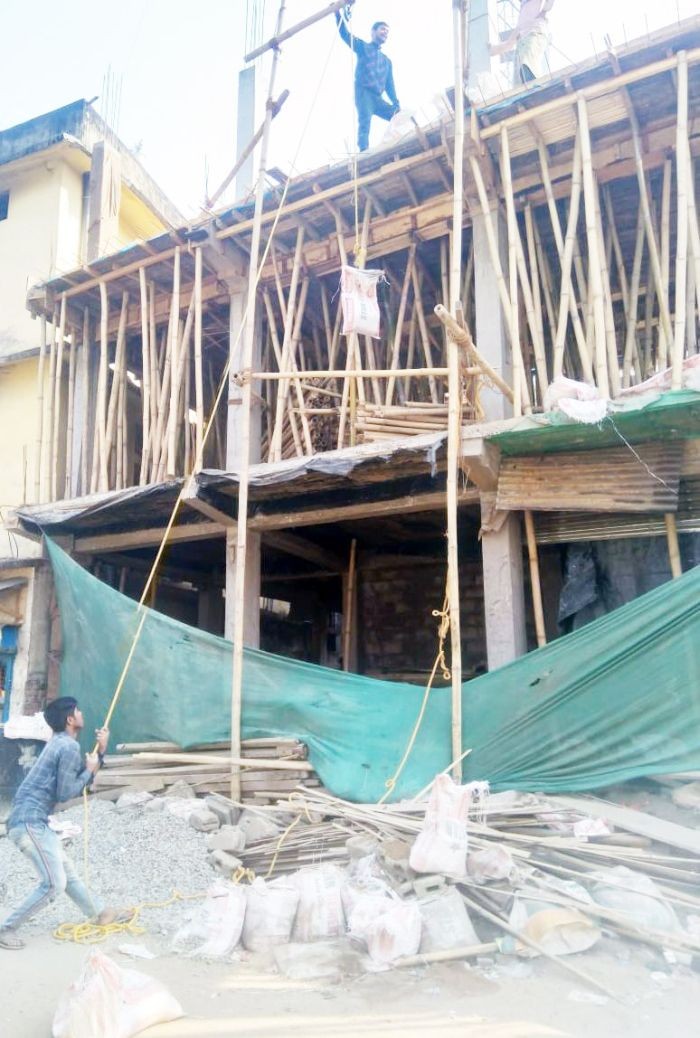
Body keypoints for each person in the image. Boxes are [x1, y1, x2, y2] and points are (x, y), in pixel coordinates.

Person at [0, 696, 124, 950]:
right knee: (54, 884)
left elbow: (75, 781)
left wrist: (100, 752)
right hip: (29, 822)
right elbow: (66, 793)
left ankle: (101, 913)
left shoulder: (61, 743)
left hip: (34, 820)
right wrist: (90, 769)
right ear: (70, 719)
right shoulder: (66, 746)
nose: (81, 713)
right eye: (77, 710)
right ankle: (6, 928)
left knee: (68, 874)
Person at [336, 6, 399, 152]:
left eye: (387, 31)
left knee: (398, 116)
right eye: (382, 29)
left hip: (378, 98)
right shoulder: (363, 47)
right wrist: (338, 15)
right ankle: (363, 151)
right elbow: (345, 34)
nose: (385, 33)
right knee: (365, 123)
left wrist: (396, 102)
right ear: (373, 32)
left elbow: (390, 85)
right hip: (364, 94)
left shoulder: (387, 61)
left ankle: (397, 142)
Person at [490, 0, 556, 85]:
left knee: (527, 63)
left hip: (535, 33)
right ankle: (522, 90)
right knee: (518, 75)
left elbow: (549, 3)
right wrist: (491, 50)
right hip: (522, 43)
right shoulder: (521, 20)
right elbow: (509, 44)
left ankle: (534, 86)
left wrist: (544, 11)